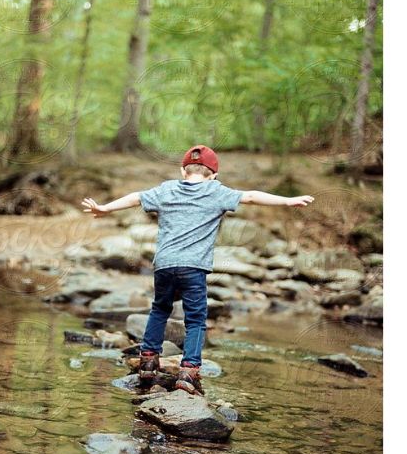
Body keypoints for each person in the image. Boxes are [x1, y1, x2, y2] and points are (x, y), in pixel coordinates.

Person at [82, 145, 314, 395]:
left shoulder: (167, 188)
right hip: (193, 267)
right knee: (195, 320)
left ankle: (148, 362)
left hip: (165, 264)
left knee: (160, 309)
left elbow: (137, 197)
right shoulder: (216, 191)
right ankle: (189, 372)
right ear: (213, 174)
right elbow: (250, 196)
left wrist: (105, 208)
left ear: (183, 171)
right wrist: (288, 201)